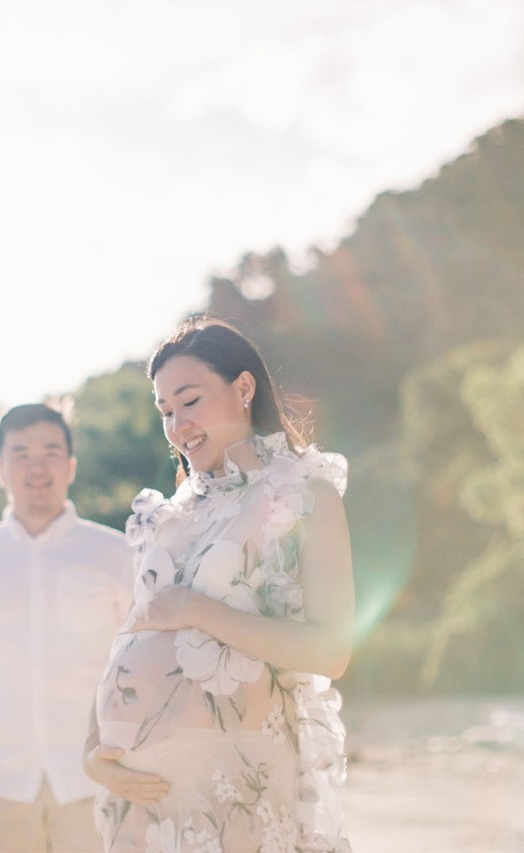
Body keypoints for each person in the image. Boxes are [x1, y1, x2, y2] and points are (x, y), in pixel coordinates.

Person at [84, 319, 355, 853]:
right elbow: (130, 639)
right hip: (140, 803)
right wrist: (92, 752)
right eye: (165, 411)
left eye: (189, 401)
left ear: (244, 388)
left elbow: (332, 651)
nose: (177, 424)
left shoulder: (306, 496)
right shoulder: (170, 516)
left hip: (235, 788)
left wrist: (196, 609)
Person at [0, 403, 135, 853]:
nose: (37, 467)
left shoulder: (118, 553)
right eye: (21, 454)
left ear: (70, 466)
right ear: (0, 468)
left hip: (97, 781)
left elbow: (147, 661)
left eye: (51, 453)